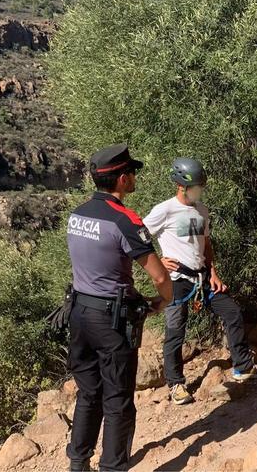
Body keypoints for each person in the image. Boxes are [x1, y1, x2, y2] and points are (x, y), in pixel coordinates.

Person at [65, 143, 173, 472]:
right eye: (133, 172)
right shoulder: (125, 219)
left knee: (89, 391)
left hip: (79, 313)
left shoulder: (78, 214)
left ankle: (78, 462)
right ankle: (113, 467)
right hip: (111, 321)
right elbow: (157, 275)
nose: (135, 176)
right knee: (118, 400)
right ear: (122, 179)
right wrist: (164, 300)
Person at [143, 157, 257, 406]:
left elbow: (206, 244)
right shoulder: (165, 209)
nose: (200, 191)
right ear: (181, 186)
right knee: (175, 331)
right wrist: (158, 262)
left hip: (202, 276)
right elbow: (139, 236)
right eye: (196, 187)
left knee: (232, 312)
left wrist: (212, 271)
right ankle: (176, 384)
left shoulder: (201, 210)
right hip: (177, 279)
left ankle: (243, 366)